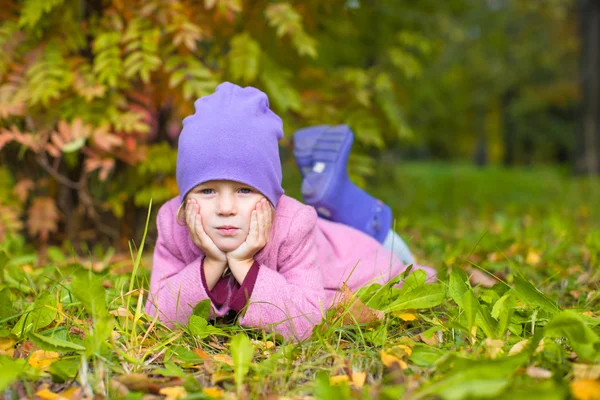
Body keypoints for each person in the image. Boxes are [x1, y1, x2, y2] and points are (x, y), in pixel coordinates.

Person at [145, 82, 436, 341]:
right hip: (321, 236)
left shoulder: (293, 225)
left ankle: (359, 212)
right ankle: (336, 203)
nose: (225, 209)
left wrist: (244, 264)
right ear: (184, 203)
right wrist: (211, 263)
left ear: (270, 198)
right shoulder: (174, 225)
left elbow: (307, 322)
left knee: (405, 270)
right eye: (207, 191)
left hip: (357, 254)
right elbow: (158, 313)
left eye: (244, 190)